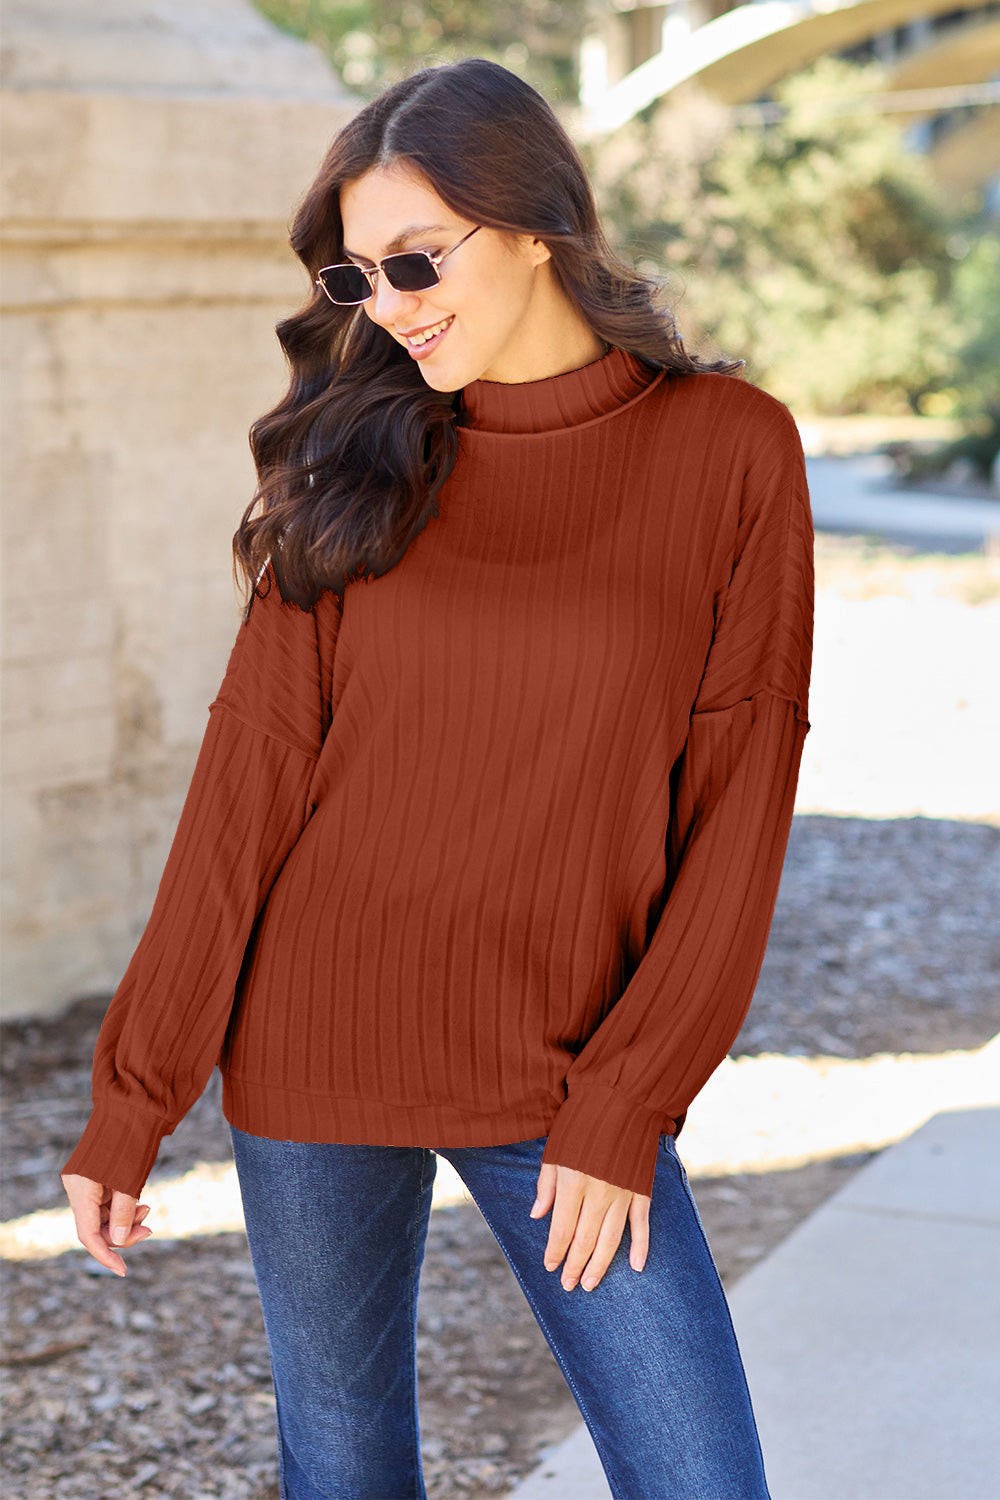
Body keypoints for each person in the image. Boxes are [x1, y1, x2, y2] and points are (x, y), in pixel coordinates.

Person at [61, 57, 813, 1500]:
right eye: (358, 279)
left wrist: (628, 1100)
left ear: (536, 224)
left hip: (567, 1062)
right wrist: (133, 1094)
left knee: (700, 1478)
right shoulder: (357, 461)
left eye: (417, 260)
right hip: (312, 1043)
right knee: (344, 1476)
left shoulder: (731, 450)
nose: (393, 306)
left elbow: (740, 800)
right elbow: (249, 786)